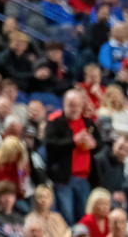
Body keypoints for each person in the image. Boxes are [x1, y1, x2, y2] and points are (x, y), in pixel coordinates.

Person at [47, 89, 102, 225]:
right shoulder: (56, 122)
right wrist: (73, 141)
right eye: (70, 105)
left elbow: (100, 142)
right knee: (68, 216)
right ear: (64, 104)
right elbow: (50, 144)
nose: (73, 109)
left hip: (84, 178)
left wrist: (94, 144)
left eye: (76, 105)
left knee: (85, 216)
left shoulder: (88, 123)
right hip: (64, 178)